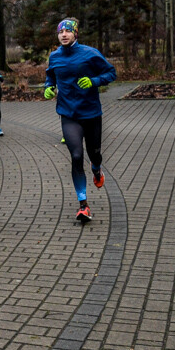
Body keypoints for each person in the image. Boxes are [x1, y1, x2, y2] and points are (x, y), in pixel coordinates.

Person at [44, 18, 116, 223]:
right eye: (60, 32)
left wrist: (94, 81)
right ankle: (83, 205)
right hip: (68, 114)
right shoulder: (55, 56)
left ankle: (96, 168)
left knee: (94, 153)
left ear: (76, 34)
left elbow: (111, 73)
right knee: (76, 155)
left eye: (68, 31)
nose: (64, 34)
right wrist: (48, 87)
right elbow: (50, 76)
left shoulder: (90, 53)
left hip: (91, 113)